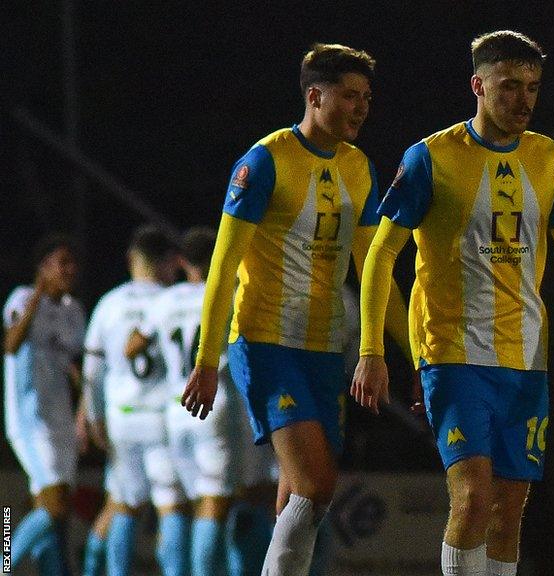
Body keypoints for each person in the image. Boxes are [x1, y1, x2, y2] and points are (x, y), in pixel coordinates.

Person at [351, 30, 554, 576]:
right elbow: (381, 255)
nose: (522, 99)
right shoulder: (430, 157)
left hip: (525, 356)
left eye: (532, 87)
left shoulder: (550, 158)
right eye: (508, 86)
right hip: (452, 352)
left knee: (509, 511)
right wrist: (372, 350)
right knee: (473, 497)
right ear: (477, 85)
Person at [179, 43, 409, 576]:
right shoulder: (264, 162)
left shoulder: (360, 169)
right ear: (314, 96)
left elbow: (377, 276)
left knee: (304, 497)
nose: (361, 108)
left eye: (366, 98)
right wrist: (207, 359)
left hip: (325, 351)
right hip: (264, 343)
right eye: (349, 96)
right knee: (315, 483)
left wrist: (413, 355)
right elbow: (222, 266)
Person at [126, 226, 244, 576]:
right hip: (214, 406)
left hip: (176, 413)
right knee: (213, 506)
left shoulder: (165, 300)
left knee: (188, 507)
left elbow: (132, 346)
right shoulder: (228, 293)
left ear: (182, 262)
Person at [81, 224, 188, 576]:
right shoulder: (173, 302)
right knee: (171, 505)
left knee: (125, 505)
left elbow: (92, 374)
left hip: (122, 419)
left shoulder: (108, 304)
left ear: (132, 259)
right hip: (162, 419)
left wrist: (94, 419)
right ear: (169, 262)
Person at [4, 234, 85, 575]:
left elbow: (76, 367)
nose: (70, 270)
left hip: (62, 420)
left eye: (72, 263)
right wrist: (38, 296)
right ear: (44, 268)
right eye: (62, 263)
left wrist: (85, 416)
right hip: (30, 419)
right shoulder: (22, 298)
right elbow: (10, 345)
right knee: (55, 505)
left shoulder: (74, 312)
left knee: (56, 512)